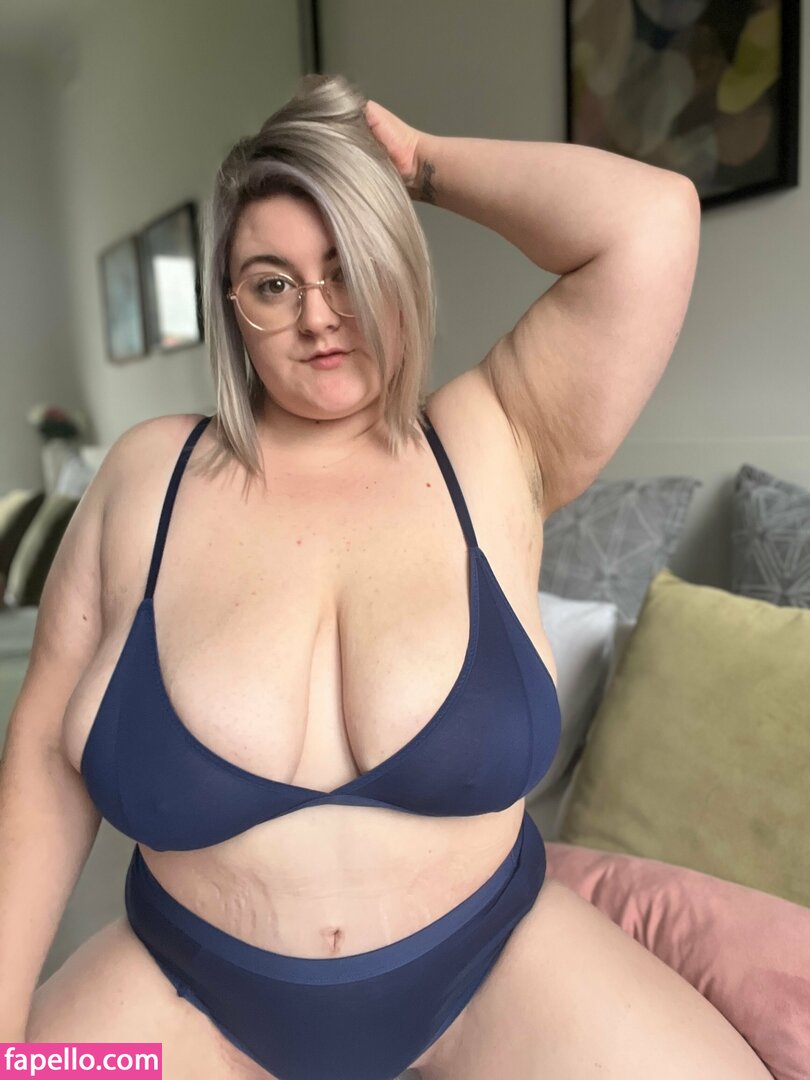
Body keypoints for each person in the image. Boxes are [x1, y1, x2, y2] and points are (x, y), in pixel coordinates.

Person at [0, 74, 771, 1080]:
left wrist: (415, 163)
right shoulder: (147, 476)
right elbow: (43, 765)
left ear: (397, 265)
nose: (321, 316)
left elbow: (652, 221)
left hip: (489, 970)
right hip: (183, 991)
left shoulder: (494, 438)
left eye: (349, 266)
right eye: (274, 283)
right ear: (232, 306)